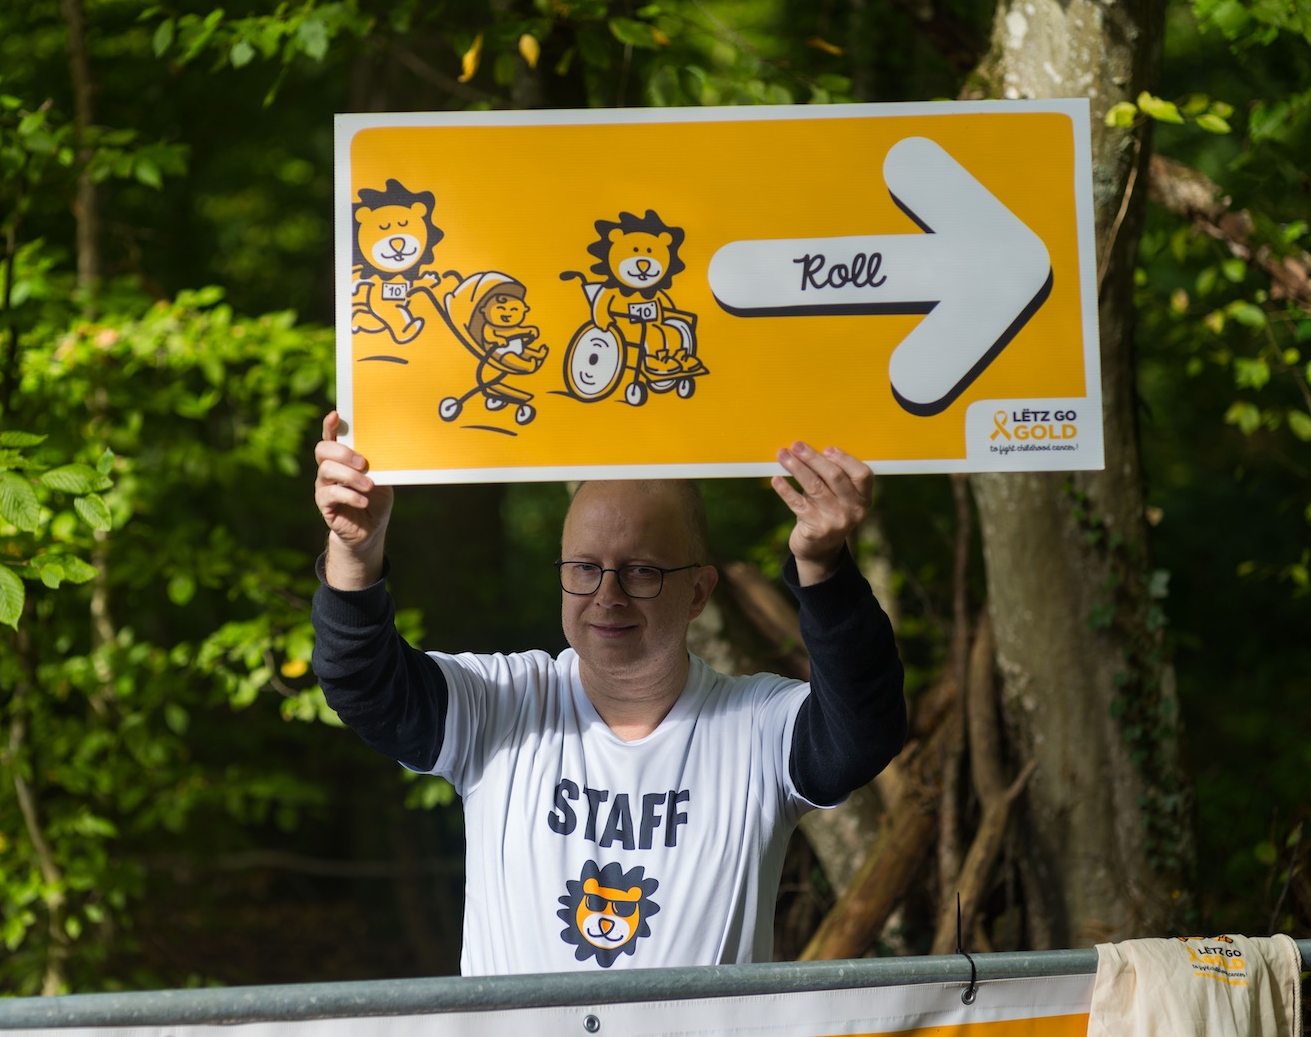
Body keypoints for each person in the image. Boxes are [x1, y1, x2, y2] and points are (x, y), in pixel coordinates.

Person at [312, 411, 905, 975]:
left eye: (641, 570)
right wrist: (355, 553)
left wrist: (823, 567)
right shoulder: (501, 704)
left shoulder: (758, 727)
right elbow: (363, 682)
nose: (607, 595)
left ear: (698, 593)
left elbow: (862, 730)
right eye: (584, 567)